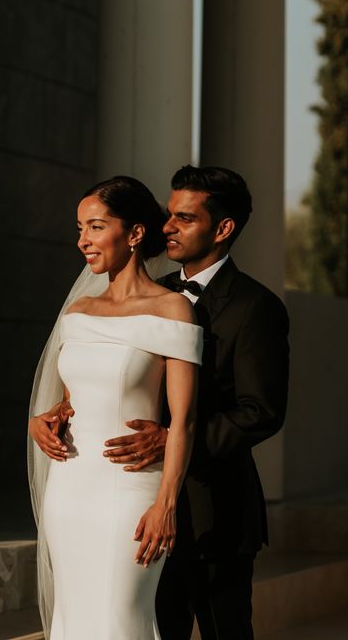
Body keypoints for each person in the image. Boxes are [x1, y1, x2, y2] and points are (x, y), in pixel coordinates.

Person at [101, 166, 290, 639]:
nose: (167, 227)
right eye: (169, 215)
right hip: (139, 506)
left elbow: (260, 411)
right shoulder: (153, 293)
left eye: (184, 218)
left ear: (223, 228)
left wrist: (173, 441)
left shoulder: (256, 307)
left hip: (214, 514)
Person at [27, 176, 202, 639]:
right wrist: (43, 420)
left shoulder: (173, 310)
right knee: (74, 616)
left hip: (131, 493)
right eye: (80, 227)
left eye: (96, 226)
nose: (83, 239)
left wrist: (166, 505)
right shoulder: (78, 311)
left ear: (135, 234)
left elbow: (182, 421)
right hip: (69, 489)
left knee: (120, 618)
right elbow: (72, 399)